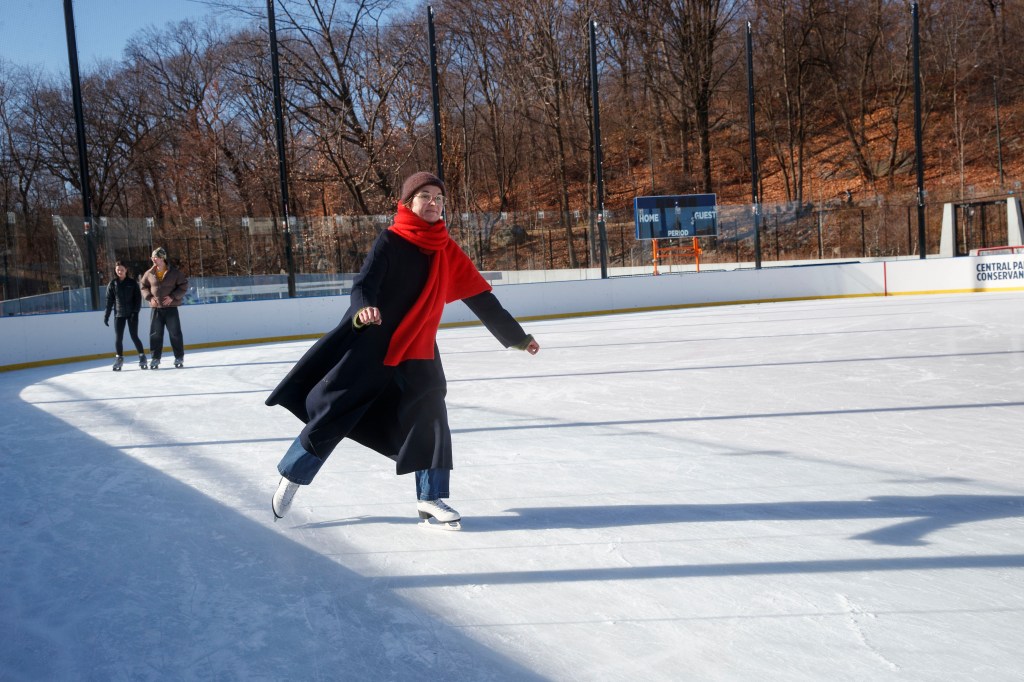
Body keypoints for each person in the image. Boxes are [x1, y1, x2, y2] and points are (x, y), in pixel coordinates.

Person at [266, 171, 540, 529]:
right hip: (374, 343)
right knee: (335, 414)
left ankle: (431, 498)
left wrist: (517, 337)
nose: (433, 203)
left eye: (438, 198)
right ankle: (292, 476)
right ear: (408, 202)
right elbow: (364, 284)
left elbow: (481, 298)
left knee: (431, 418)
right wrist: (364, 308)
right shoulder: (391, 241)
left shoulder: (446, 248)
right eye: (425, 196)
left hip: (419, 349)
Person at [139, 247, 189, 369]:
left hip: (170, 308)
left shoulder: (174, 272)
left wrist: (173, 296)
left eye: (155, 257)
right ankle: (155, 358)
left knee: (175, 333)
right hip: (156, 309)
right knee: (155, 334)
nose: (153, 260)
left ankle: (179, 357)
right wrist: (150, 298)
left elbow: (184, 285)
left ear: (162, 258)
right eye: (152, 258)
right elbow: (143, 286)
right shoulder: (149, 273)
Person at [103, 260, 147, 371]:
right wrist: (106, 315)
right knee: (118, 338)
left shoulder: (132, 283)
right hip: (119, 314)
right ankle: (119, 358)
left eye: (122, 269)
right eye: (118, 270)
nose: (120, 271)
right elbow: (109, 301)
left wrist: (135, 312)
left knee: (134, 336)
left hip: (132, 314)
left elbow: (138, 299)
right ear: (115, 270)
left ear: (126, 270)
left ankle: (142, 356)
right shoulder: (113, 284)